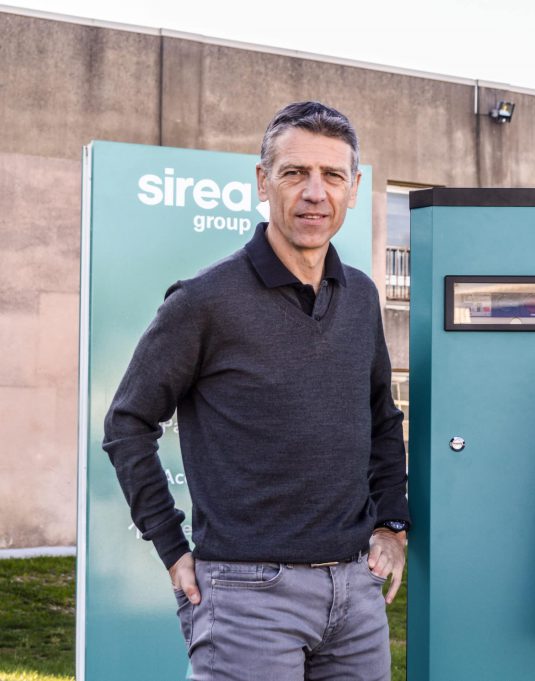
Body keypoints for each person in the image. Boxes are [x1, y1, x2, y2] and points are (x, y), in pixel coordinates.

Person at [103, 101, 410, 681]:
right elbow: (127, 423)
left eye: (332, 176)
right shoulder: (204, 301)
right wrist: (172, 548)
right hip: (246, 596)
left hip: (355, 593)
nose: (315, 192)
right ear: (263, 182)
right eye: (295, 173)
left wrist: (391, 526)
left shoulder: (362, 296)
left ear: (354, 188)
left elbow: (381, 417)